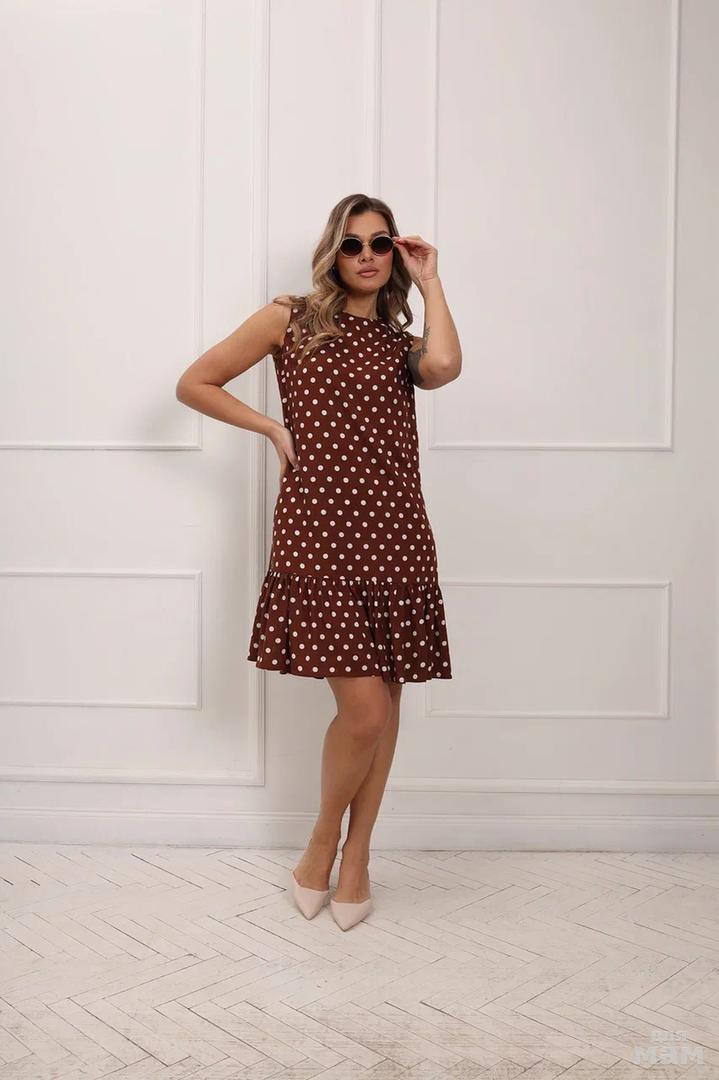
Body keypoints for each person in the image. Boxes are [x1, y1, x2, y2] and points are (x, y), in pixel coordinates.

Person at [176, 193, 462, 929]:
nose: (366, 255)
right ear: (333, 252)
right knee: (364, 710)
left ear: (393, 254)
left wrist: (430, 280)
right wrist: (273, 428)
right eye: (352, 243)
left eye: (380, 243)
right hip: (319, 534)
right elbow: (195, 383)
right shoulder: (290, 319)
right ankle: (321, 842)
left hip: (396, 533)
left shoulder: (400, 344)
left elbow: (445, 365)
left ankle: (358, 856)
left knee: (387, 702)